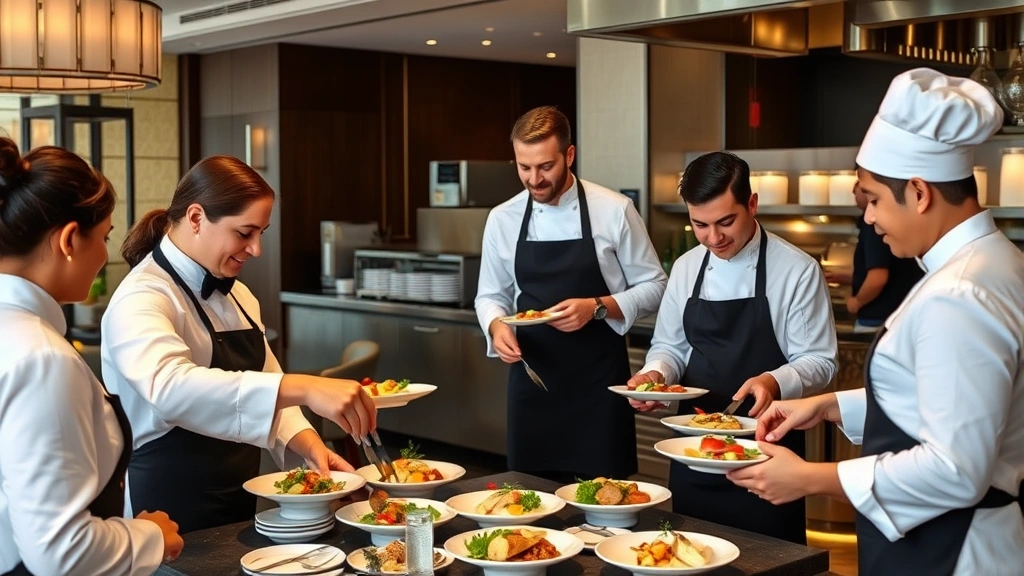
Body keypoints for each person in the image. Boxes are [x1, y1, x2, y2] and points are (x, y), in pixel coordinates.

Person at [729, 69, 1024, 575]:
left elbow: (955, 469)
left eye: (873, 200)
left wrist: (811, 478)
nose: (868, 218)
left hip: (950, 550)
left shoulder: (958, 294)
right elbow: (955, 401)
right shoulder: (997, 261)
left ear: (919, 192)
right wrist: (828, 406)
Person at [101, 155, 377, 533]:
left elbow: (269, 383)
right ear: (196, 218)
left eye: (261, 233)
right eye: (245, 233)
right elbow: (170, 388)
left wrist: (311, 447)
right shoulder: (142, 296)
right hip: (166, 504)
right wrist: (308, 387)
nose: (256, 249)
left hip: (236, 498)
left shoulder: (240, 297)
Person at [628, 151, 838, 545]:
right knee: (689, 552)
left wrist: (773, 381)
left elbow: (820, 362)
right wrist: (655, 374)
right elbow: (670, 346)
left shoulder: (796, 270)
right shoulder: (687, 267)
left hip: (767, 451)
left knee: (769, 558)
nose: (714, 238)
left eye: (726, 222)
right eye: (700, 225)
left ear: (752, 204)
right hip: (693, 447)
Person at [0, 138, 183, 574]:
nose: (104, 254)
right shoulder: (42, 360)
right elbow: (60, 552)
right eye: (104, 237)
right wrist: (150, 536)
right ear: (69, 240)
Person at [475, 106, 667, 483]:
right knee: (530, 497)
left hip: (598, 385)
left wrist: (596, 307)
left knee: (604, 497)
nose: (534, 179)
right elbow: (489, 295)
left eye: (545, 166)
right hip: (533, 381)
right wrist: (496, 326)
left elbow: (656, 286)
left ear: (570, 155)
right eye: (524, 167)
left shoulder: (614, 210)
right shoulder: (502, 218)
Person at [826, 178, 923, 333]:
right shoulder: (893, 219)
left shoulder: (873, 224)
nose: (854, 190)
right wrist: (850, 278)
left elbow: (878, 277)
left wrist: (856, 302)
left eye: (859, 184)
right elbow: (892, 271)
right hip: (896, 314)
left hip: (877, 319)